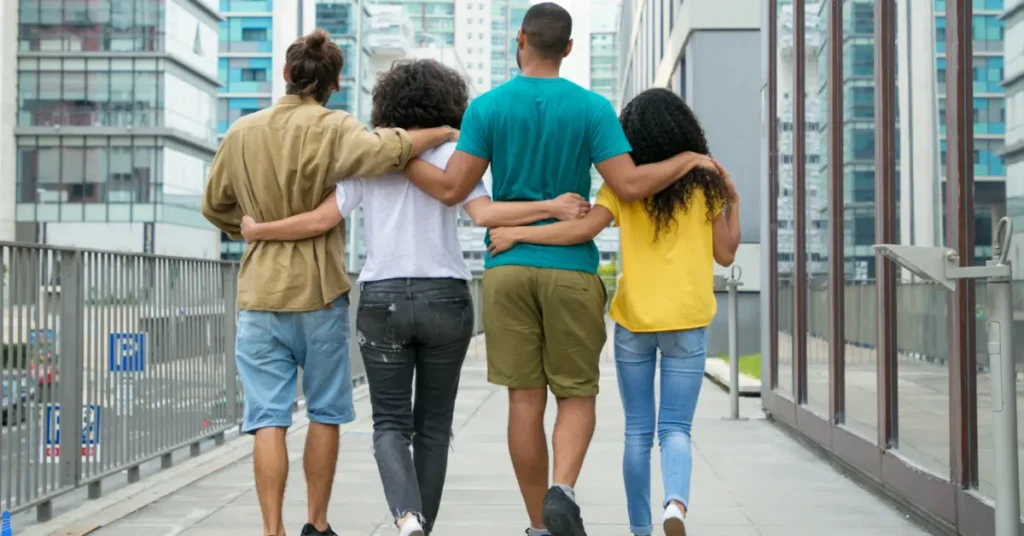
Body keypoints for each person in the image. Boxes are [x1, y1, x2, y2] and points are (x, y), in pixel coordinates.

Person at [397, 5, 717, 536]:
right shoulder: (593, 110)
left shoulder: (488, 108)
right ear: (568, 48)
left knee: (524, 399)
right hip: (571, 271)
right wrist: (689, 160)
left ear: (520, 40)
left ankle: (537, 526)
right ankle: (562, 489)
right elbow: (632, 185)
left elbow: (454, 189)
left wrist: (401, 161)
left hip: (507, 267)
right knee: (575, 394)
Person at [236, 59, 591, 536]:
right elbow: (484, 213)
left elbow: (321, 220)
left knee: (389, 425)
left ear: (388, 104)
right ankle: (421, 524)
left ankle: (406, 518)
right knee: (434, 427)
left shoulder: (371, 157)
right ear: (448, 104)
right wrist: (549, 208)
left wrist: (261, 230)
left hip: (382, 301)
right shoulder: (453, 155)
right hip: (446, 297)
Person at [201, 31, 459, 536]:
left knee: (267, 418)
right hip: (319, 294)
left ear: (285, 74)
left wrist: (251, 230)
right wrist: (443, 132)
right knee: (324, 412)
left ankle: (271, 529)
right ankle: (316, 525)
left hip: (259, 294)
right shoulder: (337, 128)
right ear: (334, 84)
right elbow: (394, 147)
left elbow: (214, 206)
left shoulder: (242, 133)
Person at [486, 88, 742, 536]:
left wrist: (518, 235)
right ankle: (675, 507)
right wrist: (733, 203)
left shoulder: (623, 188)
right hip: (687, 320)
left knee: (638, 432)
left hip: (635, 323)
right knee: (676, 428)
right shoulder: (706, 184)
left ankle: (641, 529)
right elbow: (725, 253)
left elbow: (579, 230)